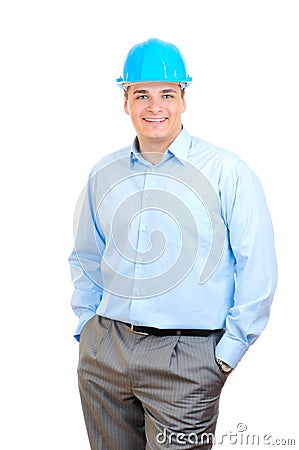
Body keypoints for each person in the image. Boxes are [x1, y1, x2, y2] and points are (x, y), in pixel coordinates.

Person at [69, 38, 277, 450]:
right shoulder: (104, 173)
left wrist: (225, 355)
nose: (154, 106)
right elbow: (86, 256)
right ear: (124, 102)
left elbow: (258, 268)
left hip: (188, 358)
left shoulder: (226, 172)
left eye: (167, 94)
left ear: (184, 99)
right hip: (106, 351)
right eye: (141, 94)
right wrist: (87, 328)